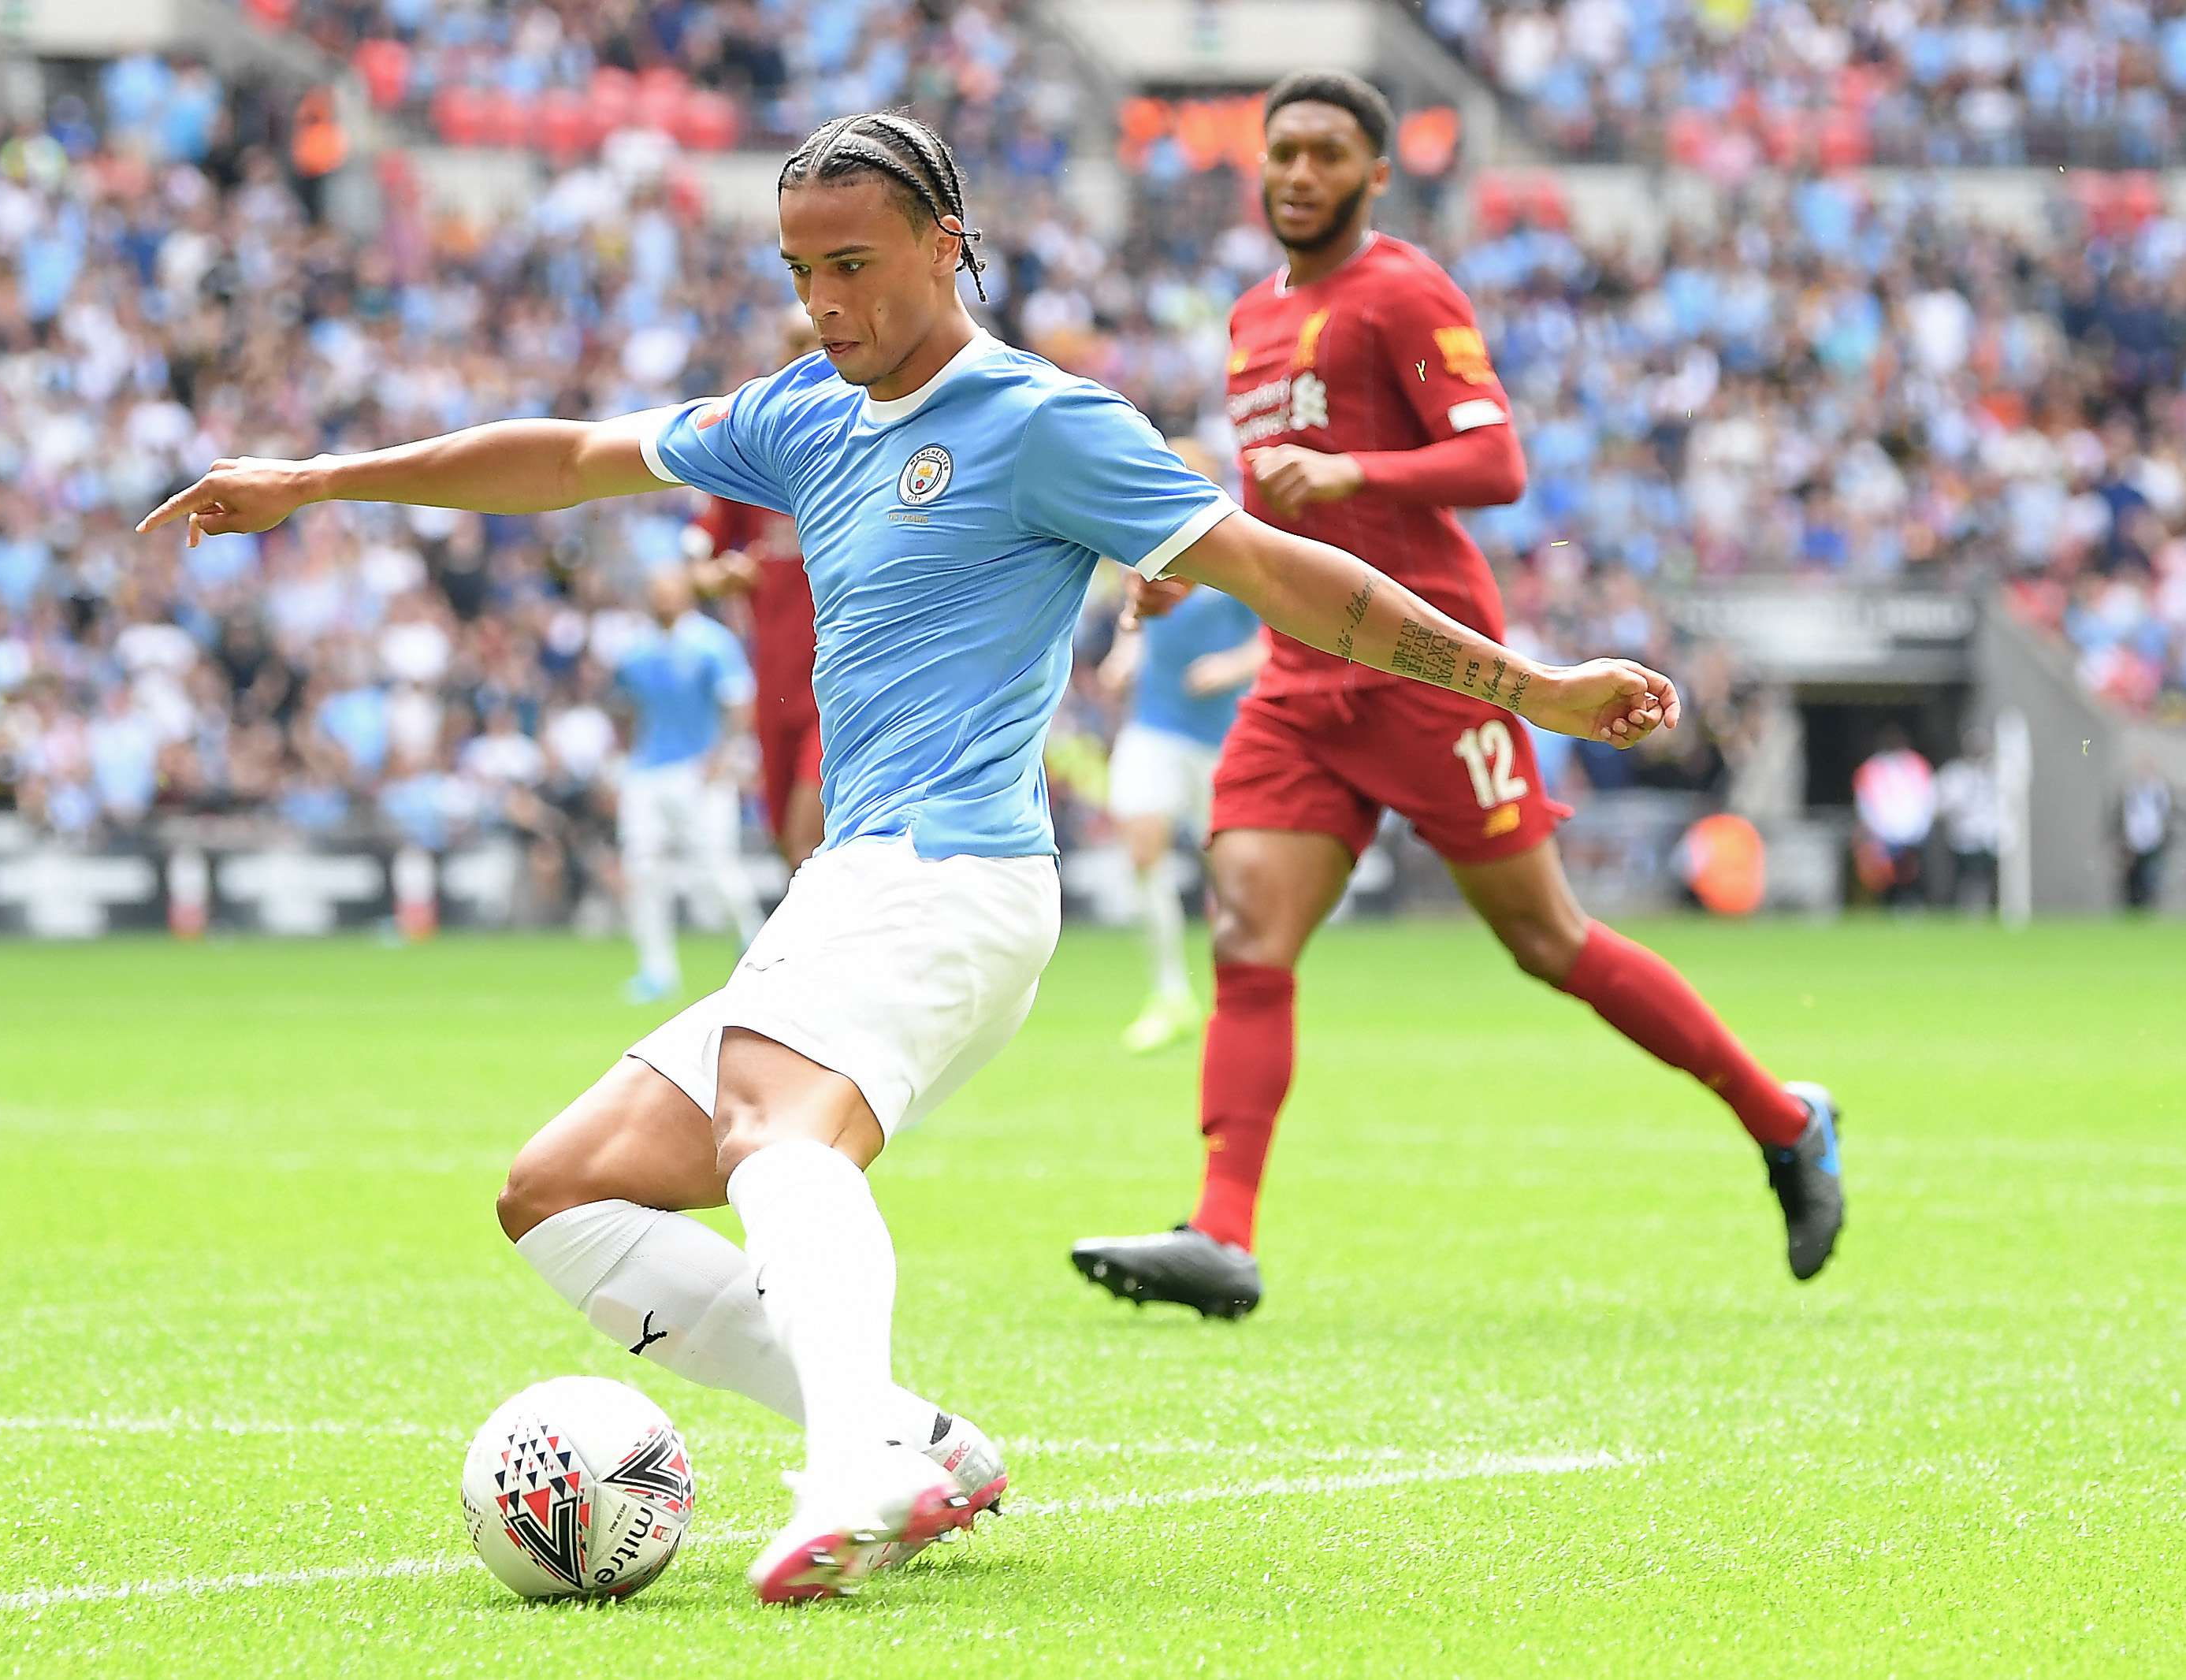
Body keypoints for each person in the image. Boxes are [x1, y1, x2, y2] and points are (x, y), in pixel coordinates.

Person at [140, 107, 1680, 1605]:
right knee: (562, 1194)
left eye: (854, 265)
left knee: (772, 1133)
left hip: (952, 875)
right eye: (799, 270)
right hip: (857, 882)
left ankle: (853, 1466)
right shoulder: (803, 410)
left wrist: (1525, 685)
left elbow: (1282, 575)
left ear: (946, 245)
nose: (823, 302)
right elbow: (566, 457)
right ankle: (917, 1441)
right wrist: (320, 481)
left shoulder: (1043, 422)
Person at [1071, 72, 1841, 1321]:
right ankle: (1221, 1234)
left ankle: (1785, 1123)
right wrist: (1188, 580)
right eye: (1283, 152)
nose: (1299, 173)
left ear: (1377, 174)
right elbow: (1275, 510)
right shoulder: (1248, 319)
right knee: (1246, 936)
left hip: (1436, 672)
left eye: (1328, 153)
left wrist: (1356, 466)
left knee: (1548, 943)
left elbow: (1495, 460)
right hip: (1302, 678)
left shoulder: (1404, 290)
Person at [1101, 536, 1263, 1053]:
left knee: (1231, 872)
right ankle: (1169, 993)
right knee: (1142, 847)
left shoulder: (1236, 546)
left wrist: (1230, 668)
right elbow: (1139, 616)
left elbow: (1277, 637)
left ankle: (1240, 998)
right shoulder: (1146, 545)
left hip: (1225, 735)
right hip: (1155, 724)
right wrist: (1124, 651)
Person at [686, 309, 828, 871]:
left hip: (839, 682)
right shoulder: (751, 455)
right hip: (773, 681)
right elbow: (699, 558)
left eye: (816, 344)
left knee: (806, 841)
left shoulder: (870, 441)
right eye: (794, 345)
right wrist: (719, 575)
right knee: (785, 846)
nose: (805, 358)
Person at [612, 568, 765, 1004]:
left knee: (718, 866)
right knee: (642, 869)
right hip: (647, 771)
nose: (661, 599)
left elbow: (738, 702)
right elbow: (625, 705)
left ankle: (754, 944)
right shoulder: (635, 648)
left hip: (699, 771)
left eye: (669, 590)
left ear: (687, 595)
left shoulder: (711, 643)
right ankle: (656, 970)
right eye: (655, 591)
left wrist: (723, 758)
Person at [1853, 725, 1935, 908]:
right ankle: (1888, 905)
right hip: (1884, 832)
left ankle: (1911, 904)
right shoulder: (1872, 768)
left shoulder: (1916, 764)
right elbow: (1866, 802)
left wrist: (1920, 828)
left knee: (1911, 874)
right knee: (1885, 876)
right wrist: (1877, 829)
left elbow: (1927, 798)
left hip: (1913, 831)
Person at [1932, 727, 2000, 912]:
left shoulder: (1997, 772)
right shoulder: (1954, 774)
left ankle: (1985, 912)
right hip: (1965, 837)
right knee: (1967, 879)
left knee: (1991, 880)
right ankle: (1967, 913)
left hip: (1991, 837)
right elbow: (1939, 804)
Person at [2116, 758, 2173, 911]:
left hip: (2154, 842)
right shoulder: (2130, 791)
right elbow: (2122, 816)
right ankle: (2133, 912)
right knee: (2132, 881)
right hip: (2132, 843)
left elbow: (2167, 815)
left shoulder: (2159, 792)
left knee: (2150, 880)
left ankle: (2148, 911)